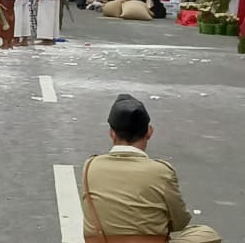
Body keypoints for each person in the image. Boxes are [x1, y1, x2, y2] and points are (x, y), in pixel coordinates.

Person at [81, 94, 221, 243]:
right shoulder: (161, 171)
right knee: (206, 233)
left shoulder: (90, 166)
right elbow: (180, 222)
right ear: (149, 132)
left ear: (112, 133)